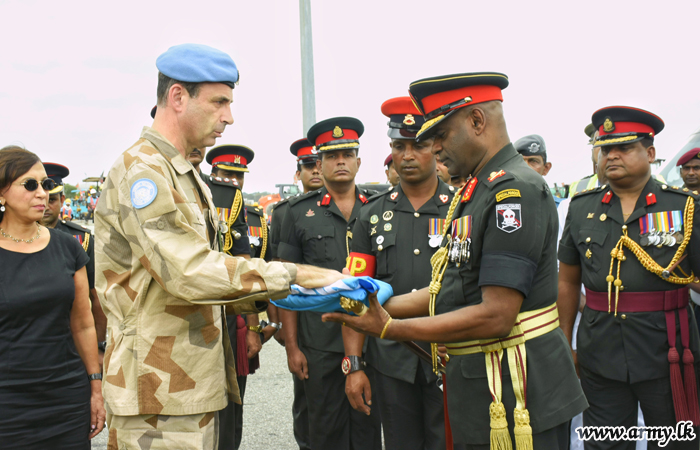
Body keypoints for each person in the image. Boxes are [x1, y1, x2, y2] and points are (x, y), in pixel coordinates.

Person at [95, 43, 346, 449]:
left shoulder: (183, 173)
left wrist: (295, 296)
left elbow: (214, 274)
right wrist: (297, 274)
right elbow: (190, 271)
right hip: (157, 397)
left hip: (185, 386)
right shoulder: (143, 172)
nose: (229, 116)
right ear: (178, 97)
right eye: (219, 102)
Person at [323, 72, 587, 449]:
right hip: (483, 386)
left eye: (441, 136)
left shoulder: (513, 191)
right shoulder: (474, 192)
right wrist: (372, 307)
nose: (435, 149)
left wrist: (388, 328)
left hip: (517, 391)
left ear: (477, 122)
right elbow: (446, 290)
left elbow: (496, 314)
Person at [558, 106, 700, 449]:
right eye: (606, 149)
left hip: (668, 349)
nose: (612, 156)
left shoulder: (684, 207)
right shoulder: (581, 207)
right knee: (604, 442)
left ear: (650, 154)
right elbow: (567, 280)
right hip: (599, 348)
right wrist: (565, 341)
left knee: (671, 442)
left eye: (624, 147)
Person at [343, 96, 457, 450]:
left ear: (436, 147)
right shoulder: (371, 215)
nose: (406, 155)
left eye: (418, 145)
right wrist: (355, 364)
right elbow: (354, 296)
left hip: (452, 355)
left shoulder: (461, 209)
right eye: (398, 146)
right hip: (393, 359)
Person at [278, 117, 382, 450]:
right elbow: (286, 285)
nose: (341, 161)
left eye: (348, 154)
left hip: (373, 339)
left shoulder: (379, 208)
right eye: (333, 155)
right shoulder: (298, 213)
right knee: (325, 435)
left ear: (358, 161)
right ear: (319, 164)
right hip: (320, 345)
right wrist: (293, 348)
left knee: (368, 432)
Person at [0, 146, 105, 449]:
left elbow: (83, 324)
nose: (42, 193)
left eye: (45, 184)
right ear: (2, 194)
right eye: (29, 185)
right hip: (7, 402)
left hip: (66, 399)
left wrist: (95, 388)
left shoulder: (69, 247)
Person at [269, 137, 322, 450]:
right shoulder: (284, 213)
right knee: (307, 399)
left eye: (318, 163)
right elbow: (279, 270)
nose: (314, 171)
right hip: (303, 321)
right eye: (307, 165)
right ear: (297, 172)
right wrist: (278, 322)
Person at [42, 163, 108, 367]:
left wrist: (98, 345)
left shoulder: (81, 238)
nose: (45, 206)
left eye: (52, 199)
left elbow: (95, 296)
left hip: (72, 337)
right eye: (41, 198)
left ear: (62, 200)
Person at [514, 134, 562, 207]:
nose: (526, 167)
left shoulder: (561, 208)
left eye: (533, 161)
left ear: (546, 168)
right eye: (520, 161)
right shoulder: (499, 205)